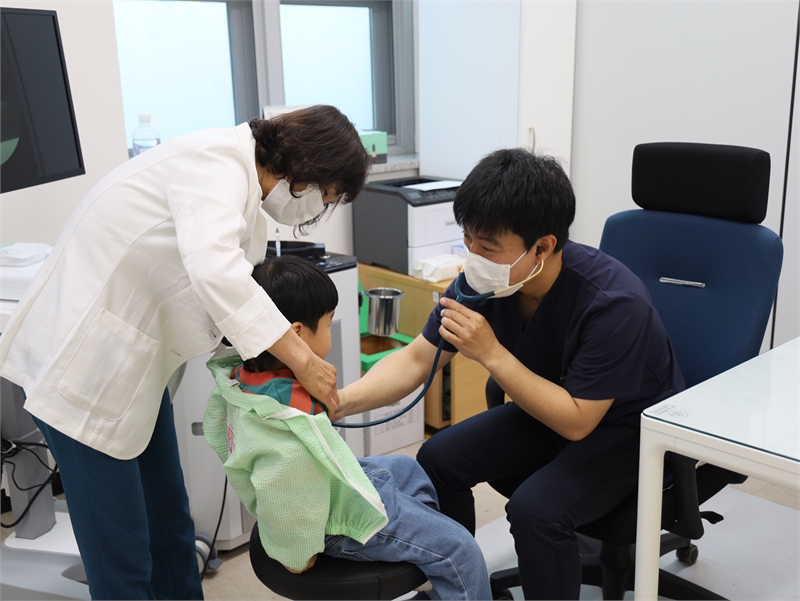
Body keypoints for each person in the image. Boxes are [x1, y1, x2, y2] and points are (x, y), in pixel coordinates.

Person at [0, 105, 371, 600]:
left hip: (138, 372)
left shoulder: (247, 203)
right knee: (123, 555)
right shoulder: (215, 163)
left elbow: (227, 303)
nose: (318, 210)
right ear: (307, 168)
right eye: (325, 196)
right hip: (85, 375)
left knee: (171, 526)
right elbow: (216, 272)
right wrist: (303, 361)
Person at [335, 148, 686, 600]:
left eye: (488, 247)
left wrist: (491, 354)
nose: (473, 257)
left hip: (628, 431)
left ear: (543, 246)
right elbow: (419, 359)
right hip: (548, 406)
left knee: (537, 511)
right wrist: (340, 401)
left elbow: (578, 422)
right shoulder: (486, 281)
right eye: (468, 240)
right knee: (438, 459)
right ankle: (460, 584)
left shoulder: (614, 303)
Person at [203, 255, 491, 601]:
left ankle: (428, 558)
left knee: (407, 468)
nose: (331, 332)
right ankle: (438, 557)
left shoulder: (248, 375)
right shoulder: (288, 435)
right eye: (328, 324)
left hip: (329, 490)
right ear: (296, 335)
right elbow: (286, 502)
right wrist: (299, 556)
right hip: (335, 525)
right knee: (462, 549)